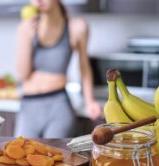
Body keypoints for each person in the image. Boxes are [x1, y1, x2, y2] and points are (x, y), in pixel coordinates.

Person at [15, 0, 101, 138]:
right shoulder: (26, 27)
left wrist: (90, 101)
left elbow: (84, 68)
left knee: (57, 157)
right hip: (28, 106)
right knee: (17, 156)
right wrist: (27, 37)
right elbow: (23, 75)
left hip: (58, 105)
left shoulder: (77, 27)